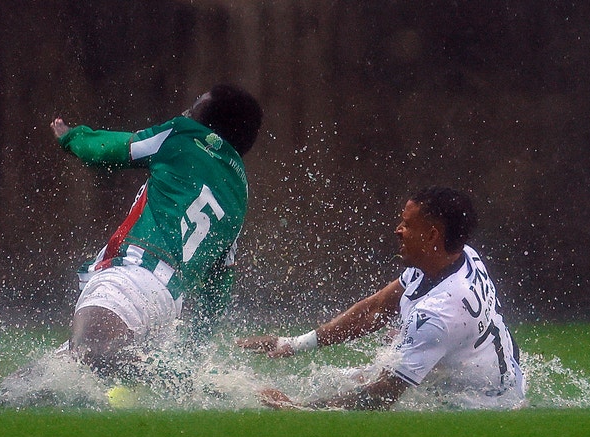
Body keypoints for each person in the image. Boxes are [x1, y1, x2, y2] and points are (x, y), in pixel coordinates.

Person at [236, 186, 525, 410]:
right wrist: (292, 344)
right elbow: (376, 309)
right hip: (498, 375)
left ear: (432, 236)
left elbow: (383, 396)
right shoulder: (453, 257)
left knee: (367, 384)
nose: (398, 230)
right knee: (353, 375)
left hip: (482, 405)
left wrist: (299, 410)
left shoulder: (439, 314)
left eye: (407, 224)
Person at [49, 84, 262, 380]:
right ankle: (167, 380)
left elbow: (112, 149)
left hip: (134, 275)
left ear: (210, 122)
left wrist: (71, 138)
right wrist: (197, 343)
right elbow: (220, 283)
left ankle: (183, 383)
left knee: (92, 353)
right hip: (166, 304)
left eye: (199, 100)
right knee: (38, 381)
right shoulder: (239, 193)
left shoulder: (183, 135)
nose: (191, 104)